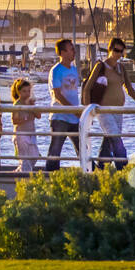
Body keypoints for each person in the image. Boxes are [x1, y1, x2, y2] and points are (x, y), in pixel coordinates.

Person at [84, 37, 135, 170]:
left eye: (121, 51)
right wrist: (87, 110)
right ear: (110, 49)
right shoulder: (100, 66)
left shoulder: (121, 68)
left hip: (119, 111)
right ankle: (123, 167)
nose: (118, 54)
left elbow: (129, 88)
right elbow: (87, 88)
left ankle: (101, 168)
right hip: (104, 111)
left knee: (109, 141)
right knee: (115, 138)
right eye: (116, 50)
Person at [45, 38, 81, 171]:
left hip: (74, 117)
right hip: (60, 117)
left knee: (82, 148)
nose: (74, 52)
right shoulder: (56, 71)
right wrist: (73, 110)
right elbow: (57, 95)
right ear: (62, 52)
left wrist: (79, 111)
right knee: (55, 149)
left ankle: (90, 173)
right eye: (71, 49)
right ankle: (49, 176)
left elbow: (74, 92)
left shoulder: (74, 69)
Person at [10, 77, 41, 173]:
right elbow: (14, 121)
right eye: (24, 91)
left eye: (28, 91)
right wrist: (26, 118)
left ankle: (20, 171)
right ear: (18, 92)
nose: (27, 94)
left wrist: (32, 107)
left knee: (35, 155)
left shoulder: (31, 103)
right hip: (21, 134)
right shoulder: (17, 104)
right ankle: (24, 176)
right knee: (24, 159)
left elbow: (39, 116)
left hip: (31, 133)